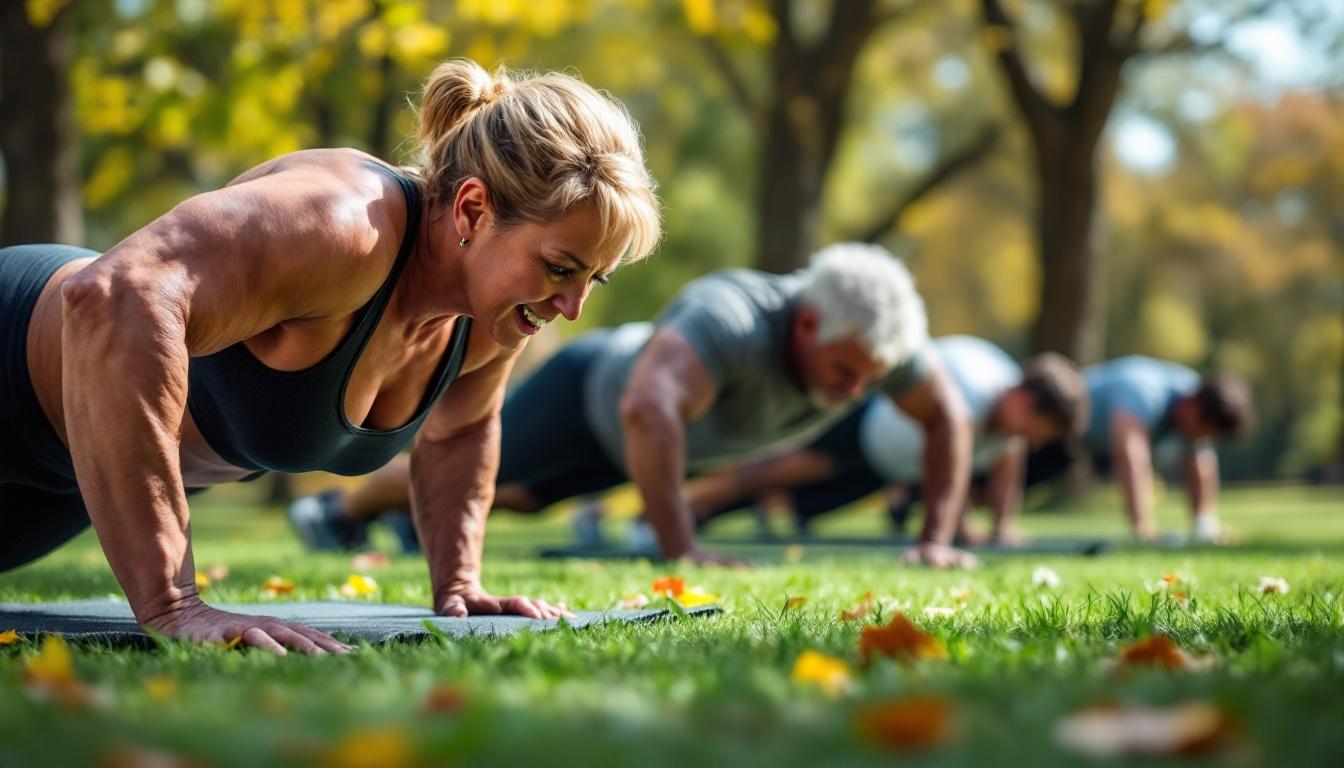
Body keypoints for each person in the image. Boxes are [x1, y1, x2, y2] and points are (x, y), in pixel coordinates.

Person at [0, 59, 661, 654]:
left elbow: (461, 433)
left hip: (65, 474)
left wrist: (460, 584)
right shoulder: (347, 224)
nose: (570, 306)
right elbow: (114, 296)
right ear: (472, 209)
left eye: (590, 281)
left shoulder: (492, 317)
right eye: (558, 269)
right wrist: (173, 604)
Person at [297, 243, 978, 567]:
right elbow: (647, 411)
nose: (854, 392)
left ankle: (394, 520)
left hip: (640, 444)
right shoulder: (734, 317)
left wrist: (935, 539)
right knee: (491, 481)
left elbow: (946, 416)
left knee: (527, 499)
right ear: (805, 327)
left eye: (871, 379)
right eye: (844, 373)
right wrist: (679, 549)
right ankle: (335, 509)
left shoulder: (874, 337)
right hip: (589, 395)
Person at [684, 337, 1088, 545]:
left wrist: (1003, 527)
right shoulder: (976, 390)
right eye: (1040, 432)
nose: (1033, 444)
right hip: (863, 420)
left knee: (794, 499)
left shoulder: (1009, 421)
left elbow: (1007, 464)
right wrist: (960, 525)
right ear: (1024, 401)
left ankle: (701, 515)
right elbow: (952, 460)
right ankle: (684, 507)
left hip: (882, 466)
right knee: (773, 471)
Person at [1081, 357, 1254, 542]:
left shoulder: (1196, 398)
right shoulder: (1145, 391)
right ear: (1193, 408)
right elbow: (1130, 457)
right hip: (1061, 432)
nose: (1202, 439)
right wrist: (1143, 527)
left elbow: (1201, 461)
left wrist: (1204, 525)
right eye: (1203, 432)